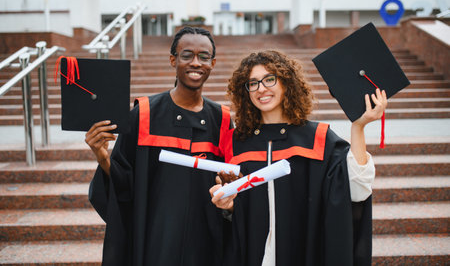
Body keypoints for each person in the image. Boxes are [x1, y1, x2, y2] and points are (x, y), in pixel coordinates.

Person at [210, 50, 387, 266]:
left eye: (269, 79)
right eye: (253, 83)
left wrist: (358, 127)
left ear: (286, 83)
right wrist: (227, 206)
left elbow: (357, 189)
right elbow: (233, 215)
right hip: (251, 253)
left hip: (303, 252)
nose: (261, 89)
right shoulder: (236, 143)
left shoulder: (316, 138)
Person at [85, 27, 233, 266]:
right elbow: (125, 184)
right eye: (187, 55)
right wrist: (102, 156)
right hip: (156, 238)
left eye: (203, 56)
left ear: (212, 63)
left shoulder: (222, 119)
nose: (196, 63)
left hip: (205, 239)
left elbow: (228, 182)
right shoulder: (144, 113)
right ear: (173, 59)